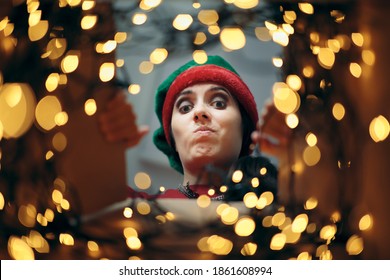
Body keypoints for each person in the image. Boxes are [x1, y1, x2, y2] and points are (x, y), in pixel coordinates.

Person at [99, 55, 290, 200]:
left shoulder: (281, 204)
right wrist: (101, 143)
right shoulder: (132, 206)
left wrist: (296, 152)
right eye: (185, 107)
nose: (199, 112)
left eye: (218, 103)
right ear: (171, 139)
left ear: (245, 129)